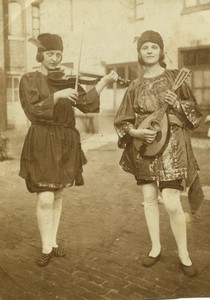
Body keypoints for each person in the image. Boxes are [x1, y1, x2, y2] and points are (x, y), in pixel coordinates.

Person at [19, 33, 118, 266]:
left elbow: (87, 104)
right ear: (41, 54)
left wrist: (103, 82)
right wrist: (57, 96)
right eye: (50, 54)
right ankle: (45, 246)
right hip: (42, 139)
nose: (54, 59)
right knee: (44, 197)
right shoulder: (29, 79)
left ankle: (52, 242)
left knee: (58, 193)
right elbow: (32, 110)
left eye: (58, 55)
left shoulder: (66, 79)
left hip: (65, 140)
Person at [114, 30, 204, 277]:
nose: (150, 51)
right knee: (149, 198)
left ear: (161, 51)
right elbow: (122, 120)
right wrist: (136, 133)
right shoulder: (135, 85)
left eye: (154, 46)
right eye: (145, 47)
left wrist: (176, 103)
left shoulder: (175, 77)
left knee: (173, 202)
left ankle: (184, 254)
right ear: (140, 53)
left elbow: (195, 114)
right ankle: (155, 248)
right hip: (144, 145)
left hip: (171, 145)